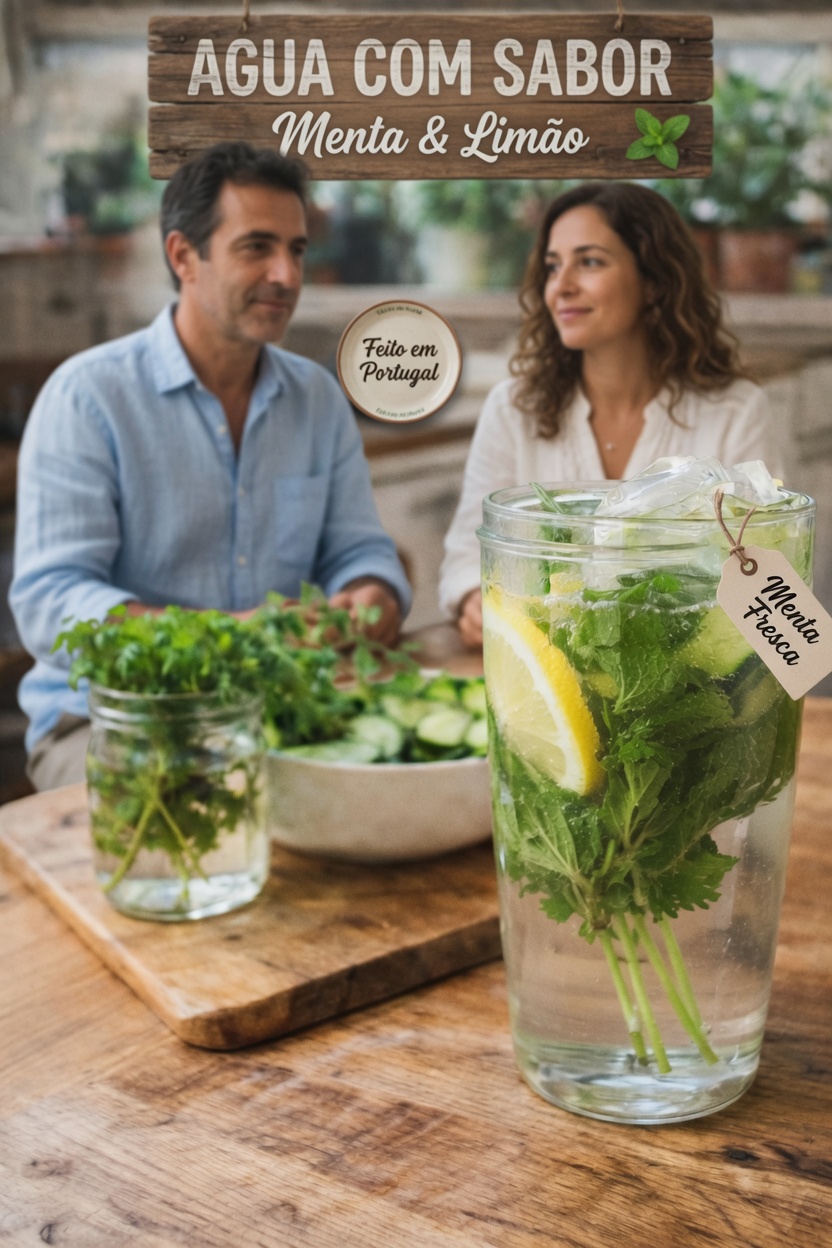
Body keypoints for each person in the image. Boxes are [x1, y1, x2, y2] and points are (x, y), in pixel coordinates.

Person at [11, 141, 411, 790]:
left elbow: (358, 550)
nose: (286, 275)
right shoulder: (87, 398)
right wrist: (235, 635)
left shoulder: (317, 398)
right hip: (110, 727)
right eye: (257, 247)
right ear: (182, 256)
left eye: (297, 250)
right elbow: (53, 605)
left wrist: (371, 593)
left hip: (283, 713)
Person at [440, 181, 781, 648]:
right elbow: (466, 555)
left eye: (590, 262)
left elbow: (767, 571)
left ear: (655, 282)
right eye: (553, 267)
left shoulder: (735, 411)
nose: (561, 286)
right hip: (544, 663)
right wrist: (471, 601)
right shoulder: (512, 408)